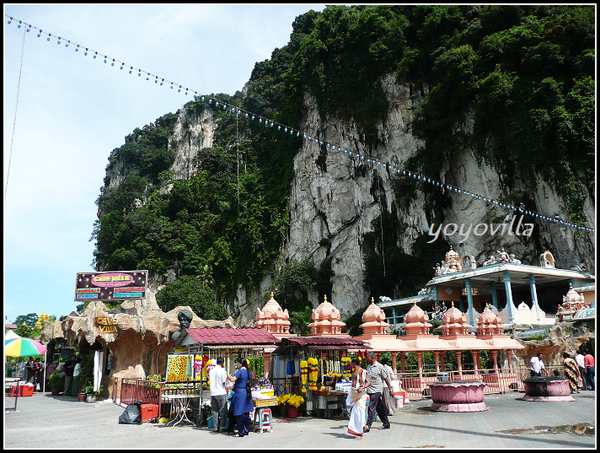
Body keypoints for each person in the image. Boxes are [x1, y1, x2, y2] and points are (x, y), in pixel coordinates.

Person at [364, 352, 392, 432]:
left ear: (372, 357)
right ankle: (386, 423)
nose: (367, 359)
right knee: (379, 408)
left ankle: (368, 425)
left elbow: (386, 378)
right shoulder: (368, 367)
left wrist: (390, 389)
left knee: (371, 407)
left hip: (377, 390)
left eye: (368, 357)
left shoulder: (380, 367)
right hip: (370, 389)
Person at [227, 358, 254, 437]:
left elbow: (232, 380)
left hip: (239, 393)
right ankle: (246, 430)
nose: (238, 365)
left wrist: (228, 376)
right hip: (247, 392)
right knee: (246, 413)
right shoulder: (249, 372)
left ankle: (240, 432)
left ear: (241, 364)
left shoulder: (240, 372)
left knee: (239, 413)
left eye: (238, 363)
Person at [347, 358, 369, 440]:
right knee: (355, 412)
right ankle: (363, 426)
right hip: (354, 394)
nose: (350, 364)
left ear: (355, 363)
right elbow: (353, 383)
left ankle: (360, 434)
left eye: (351, 363)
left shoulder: (363, 371)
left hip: (361, 394)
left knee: (359, 412)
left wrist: (362, 387)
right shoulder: (353, 372)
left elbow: (368, 382)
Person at [209, 357, 228, 433]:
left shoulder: (211, 371)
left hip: (213, 393)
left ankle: (215, 427)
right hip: (221, 392)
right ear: (222, 363)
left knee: (214, 410)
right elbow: (224, 382)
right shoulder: (223, 371)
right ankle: (222, 427)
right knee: (223, 410)